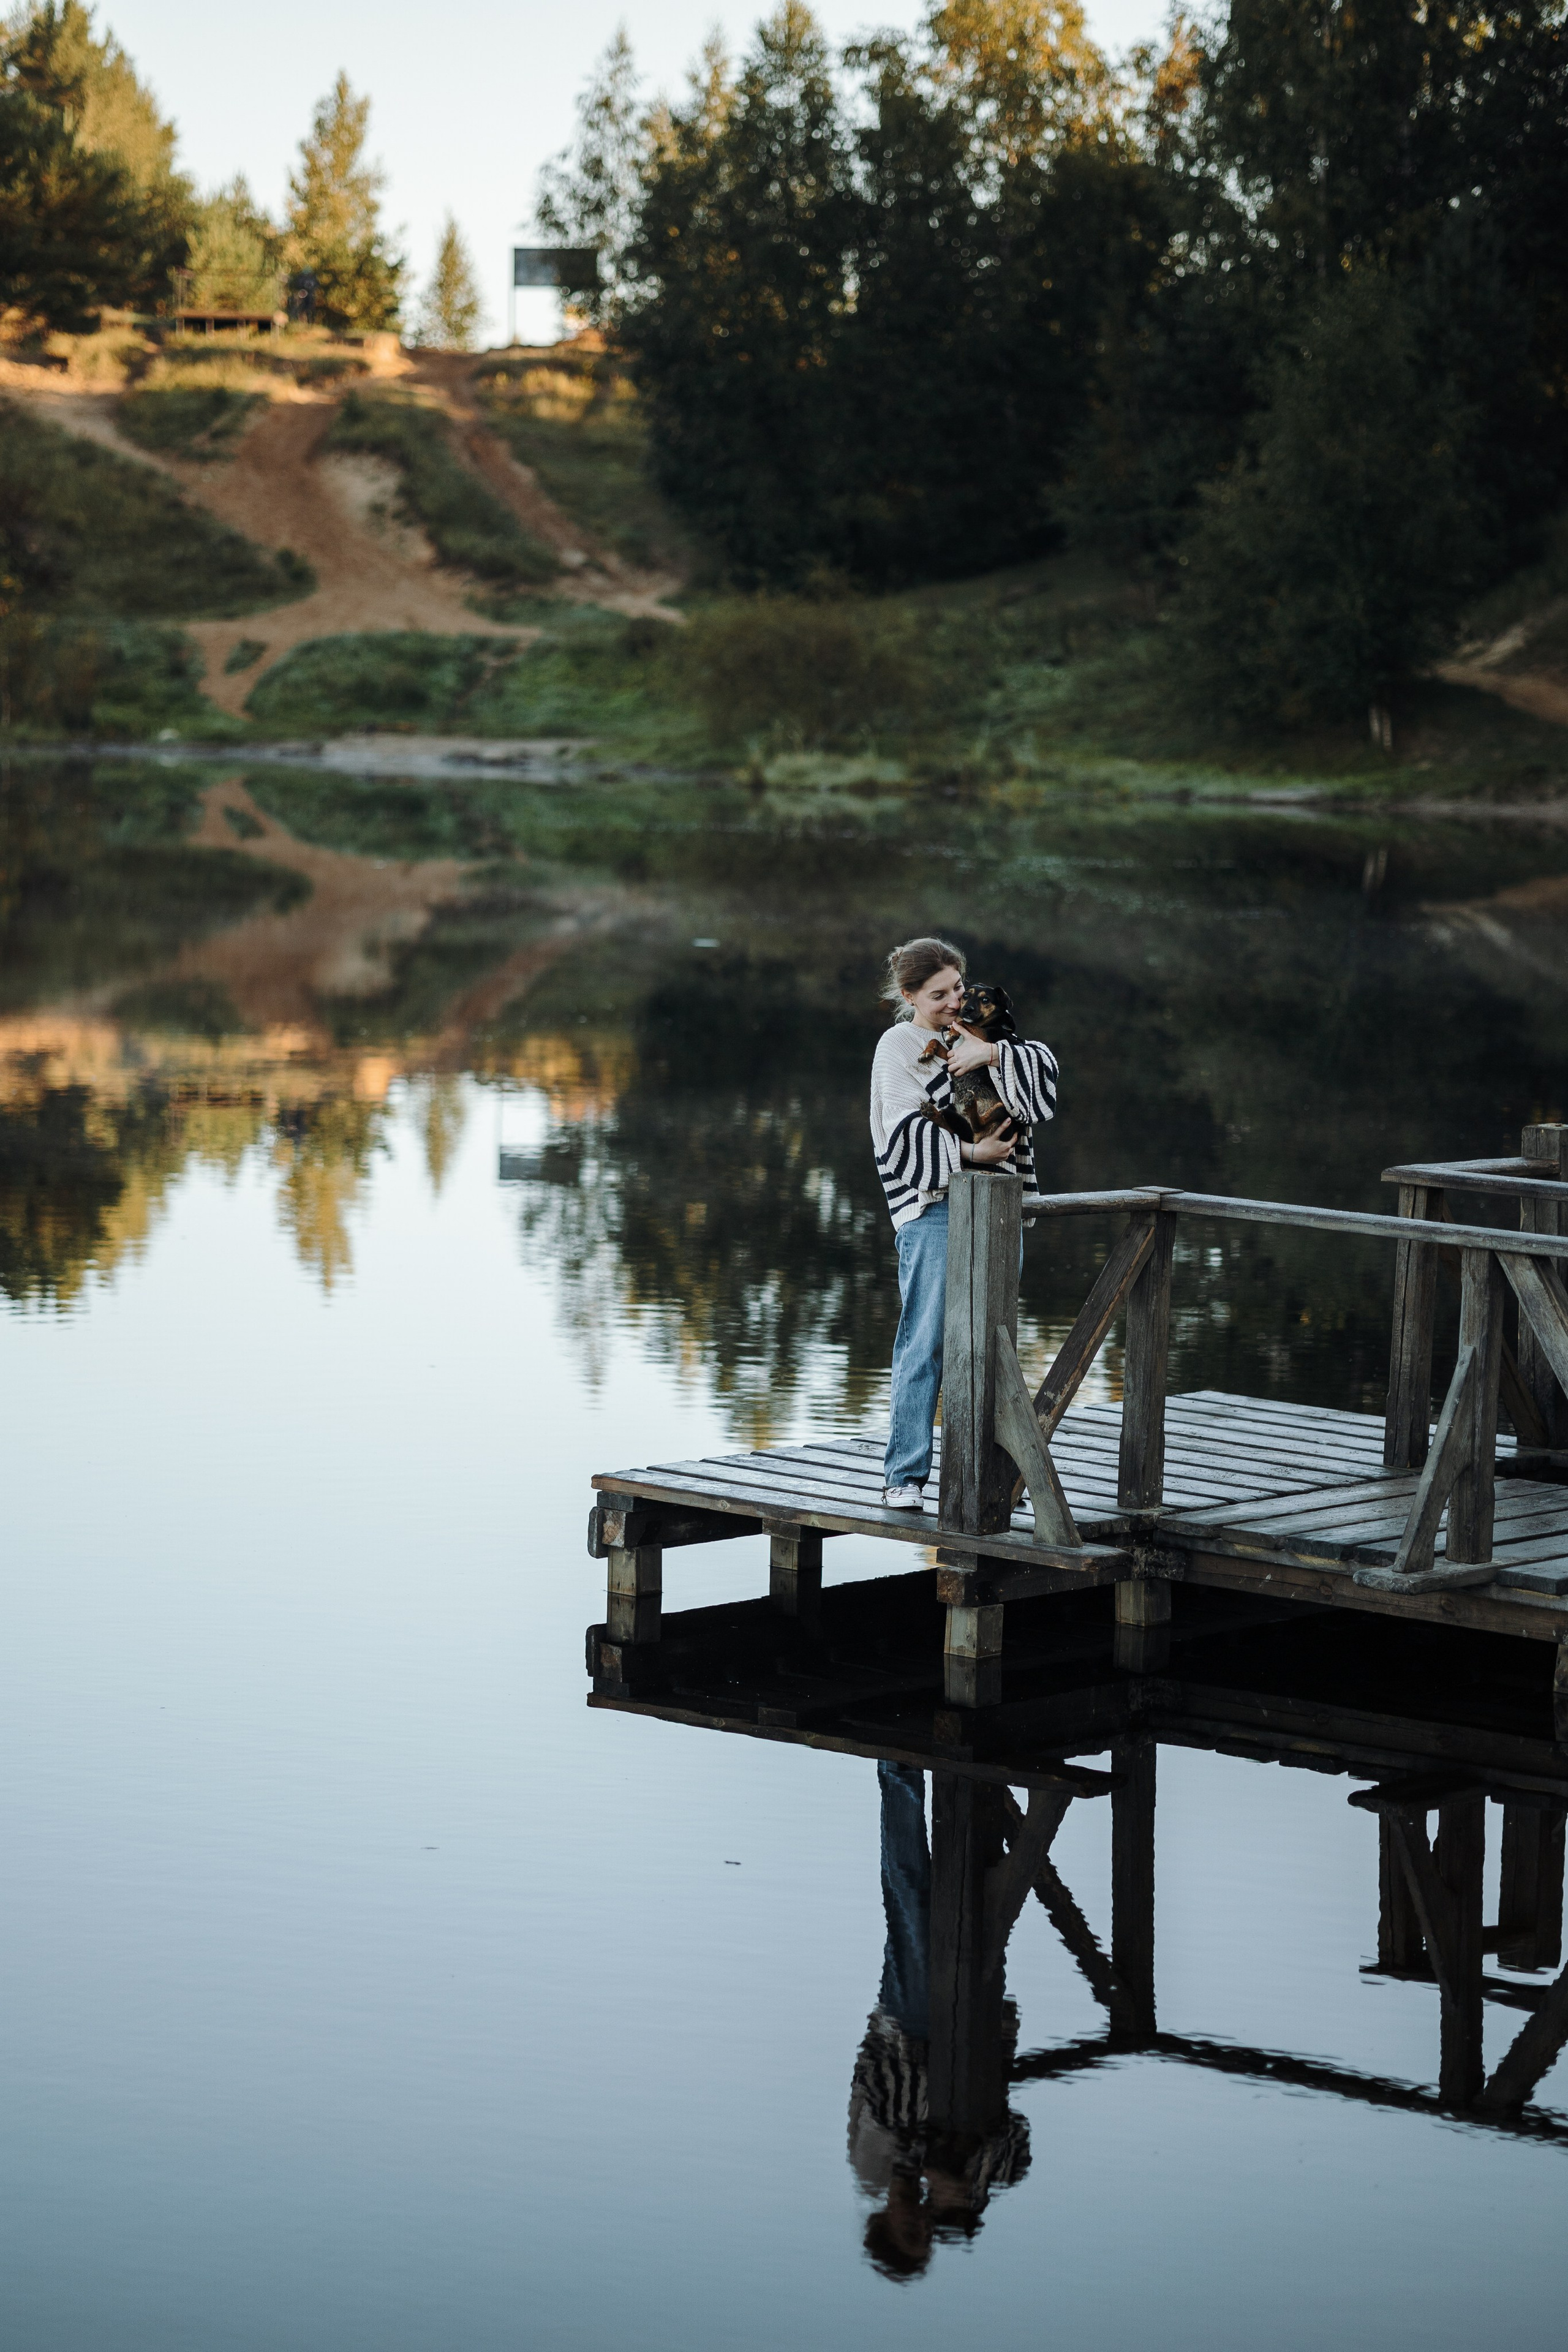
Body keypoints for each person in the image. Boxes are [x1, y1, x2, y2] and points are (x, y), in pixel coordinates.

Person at [869, 937, 1058, 1510]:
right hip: (934, 1209)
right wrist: (971, 1156)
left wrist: (992, 1056)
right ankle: (904, 1475)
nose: (954, 1001)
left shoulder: (985, 1029)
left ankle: (995, 1477)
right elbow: (899, 1131)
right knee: (925, 1344)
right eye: (938, 995)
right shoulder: (898, 1046)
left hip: (1000, 1205)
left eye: (957, 988)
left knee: (994, 1347)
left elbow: (1045, 1086)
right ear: (909, 997)